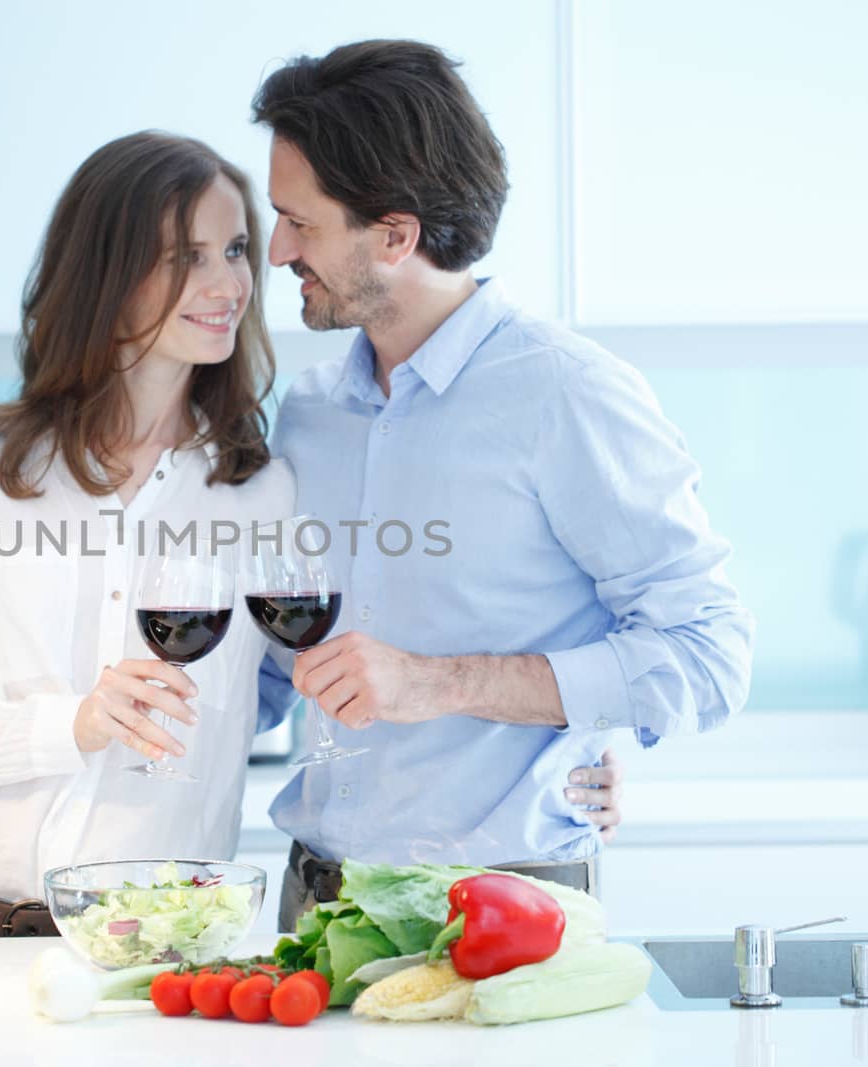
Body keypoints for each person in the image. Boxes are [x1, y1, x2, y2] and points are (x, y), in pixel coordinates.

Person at [249, 40, 753, 930]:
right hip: (316, 898)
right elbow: (276, 671)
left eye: (302, 222)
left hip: (501, 904)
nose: (279, 248)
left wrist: (443, 684)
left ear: (394, 235)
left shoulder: (567, 393)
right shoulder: (312, 411)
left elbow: (709, 656)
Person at [0, 131, 296, 935]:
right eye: (187, 257)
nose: (230, 282)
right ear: (108, 273)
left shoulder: (261, 490)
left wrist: (578, 758)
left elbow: (297, 685)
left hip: (157, 948)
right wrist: (69, 727)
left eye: (234, 249)